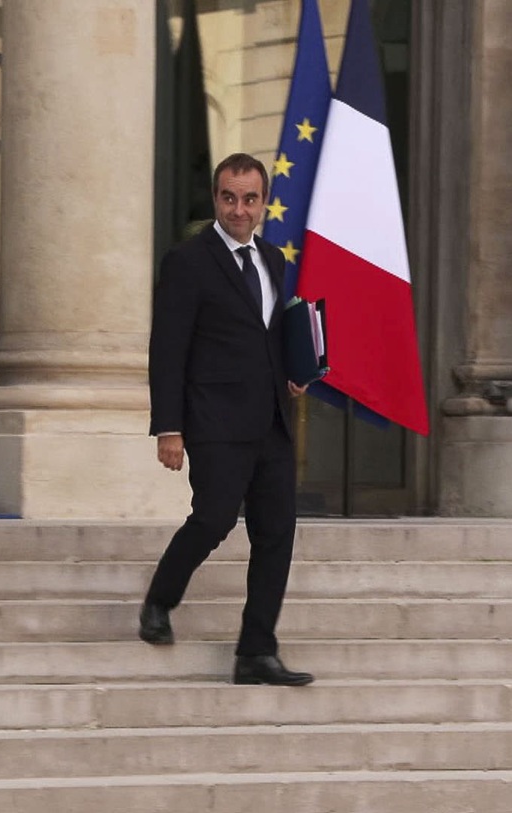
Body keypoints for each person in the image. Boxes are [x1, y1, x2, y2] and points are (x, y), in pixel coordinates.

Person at [141, 153, 313, 686]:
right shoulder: (187, 261)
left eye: (250, 198)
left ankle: (256, 652)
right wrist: (169, 427)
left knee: (277, 534)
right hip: (215, 420)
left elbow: (268, 336)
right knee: (213, 520)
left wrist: (297, 368)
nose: (240, 209)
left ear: (263, 203)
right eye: (229, 197)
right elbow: (167, 349)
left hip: (272, 422)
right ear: (216, 199)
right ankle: (159, 600)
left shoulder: (274, 259)